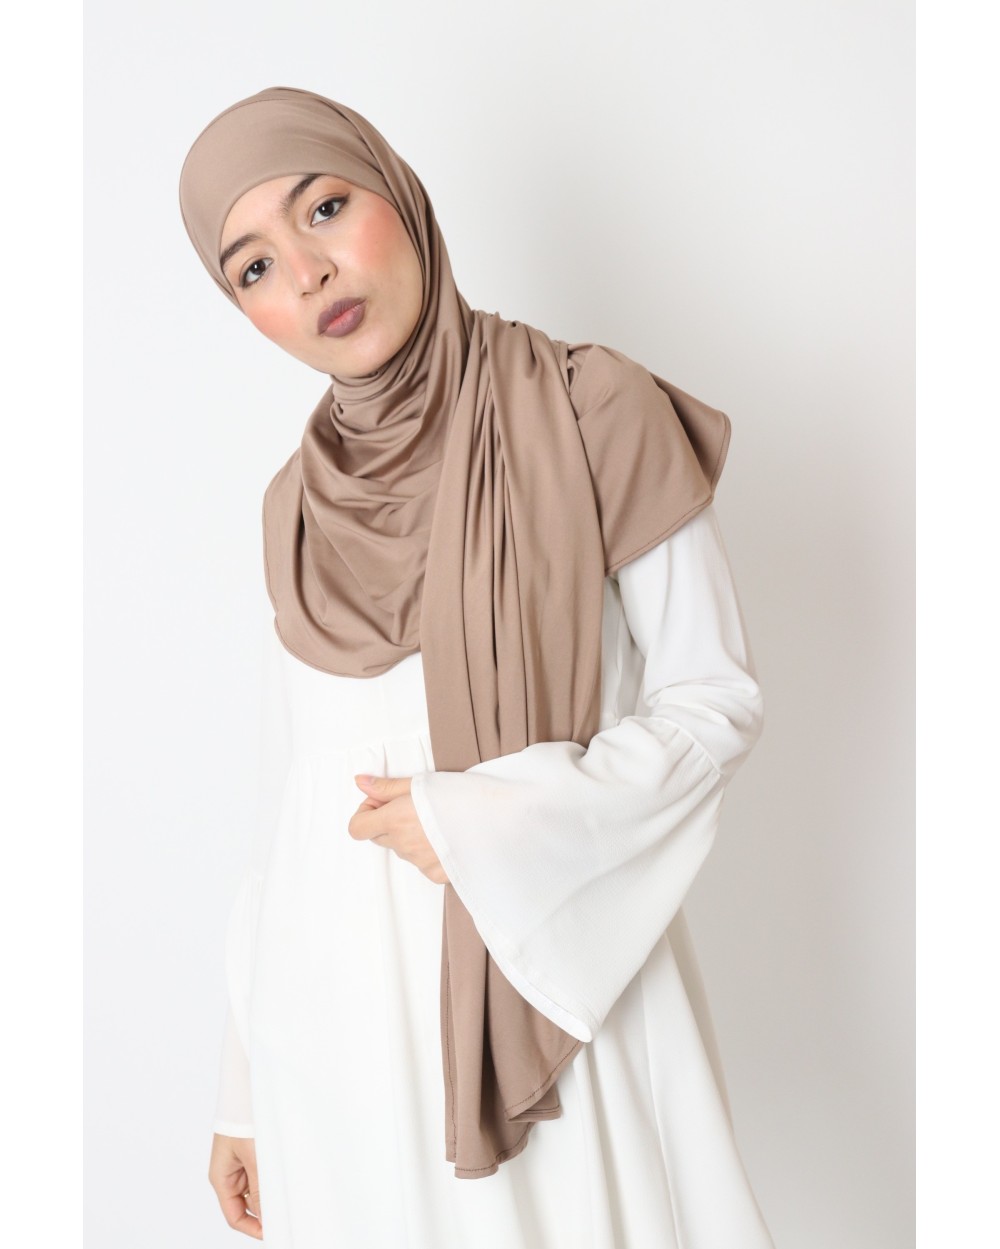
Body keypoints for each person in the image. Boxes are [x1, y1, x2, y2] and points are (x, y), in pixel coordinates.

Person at [179, 86, 775, 1249]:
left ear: (396, 192)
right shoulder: (293, 507)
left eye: (324, 208)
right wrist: (239, 1088)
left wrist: (481, 825)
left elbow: (713, 702)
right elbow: (282, 811)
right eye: (252, 266)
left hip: (551, 991)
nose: (307, 271)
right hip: (335, 1042)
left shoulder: (590, 408)